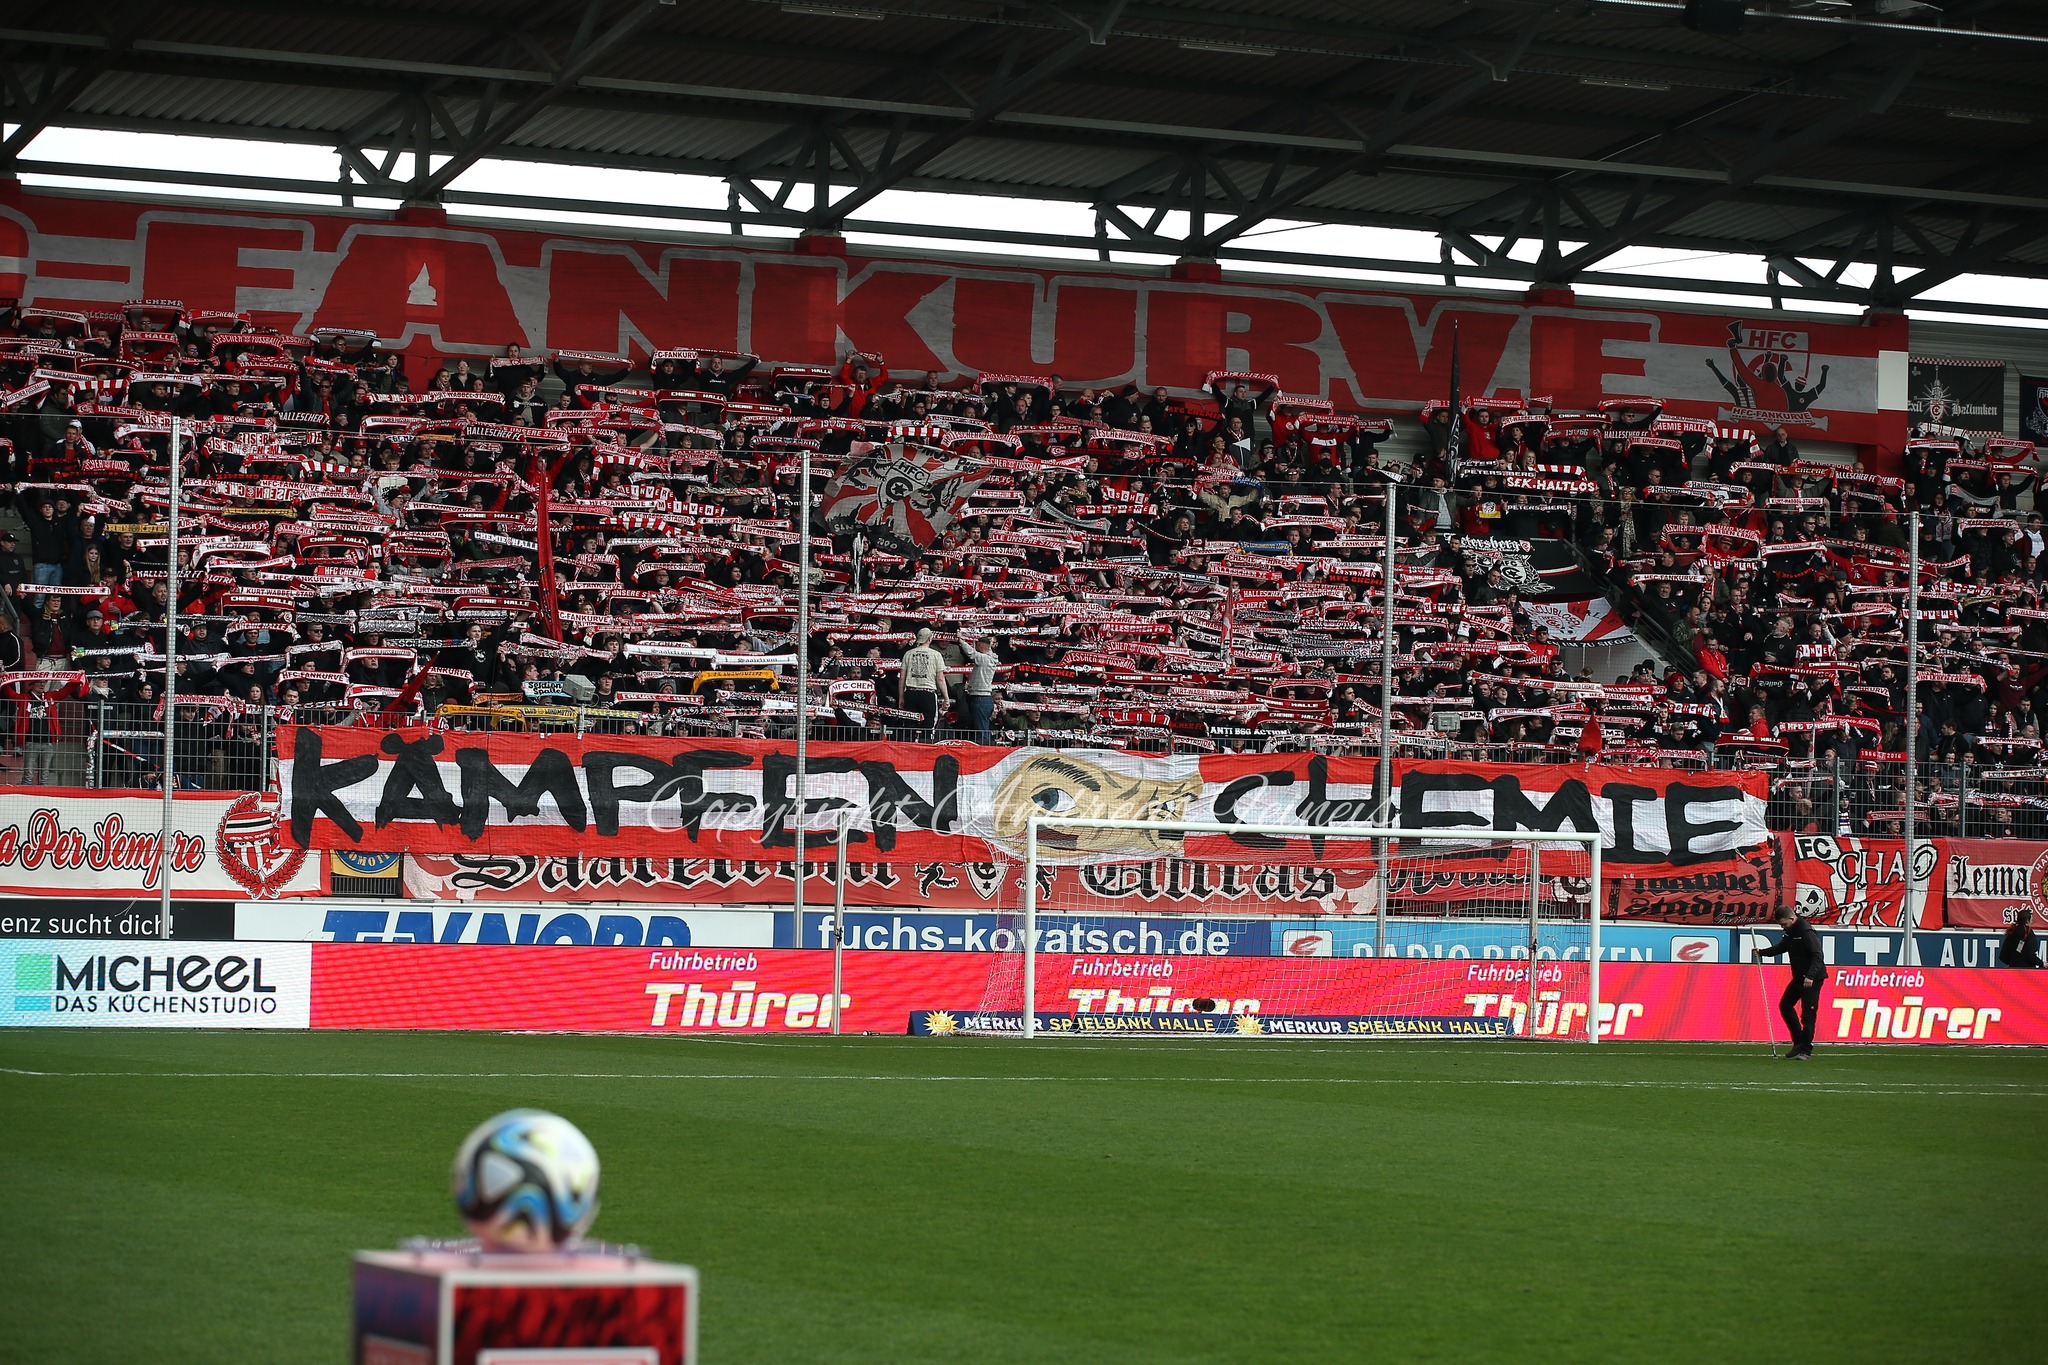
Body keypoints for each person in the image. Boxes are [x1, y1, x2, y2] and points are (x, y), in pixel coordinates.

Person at [1755, 907, 1828, 1059]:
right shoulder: (1791, 932)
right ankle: (1799, 1041)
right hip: (1799, 978)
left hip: (1811, 980)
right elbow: (1782, 947)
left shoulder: (1806, 932)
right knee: (1785, 1005)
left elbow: (1817, 955)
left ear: (1791, 919)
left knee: (1808, 1015)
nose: (1783, 927)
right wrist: (1762, 952)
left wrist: (1810, 976)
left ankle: (1806, 1051)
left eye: (1784, 924)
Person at [898, 627, 948, 740]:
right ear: (930, 638)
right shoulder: (936, 655)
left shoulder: (908, 654)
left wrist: (901, 697)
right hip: (928, 693)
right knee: (928, 726)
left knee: (909, 726)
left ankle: (908, 750)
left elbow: (902, 678)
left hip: (910, 693)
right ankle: (926, 750)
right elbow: (940, 679)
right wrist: (946, 698)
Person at [958, 629, 999, 745]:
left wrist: (961, 641)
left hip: (980, 698)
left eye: (976, 644)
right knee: (982, 727)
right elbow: (986, 648)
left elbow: (971, 653)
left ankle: (984, 752)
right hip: (984, 698)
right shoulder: (992, 658)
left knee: (981, 730)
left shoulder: (984, 659)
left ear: (980, 645)